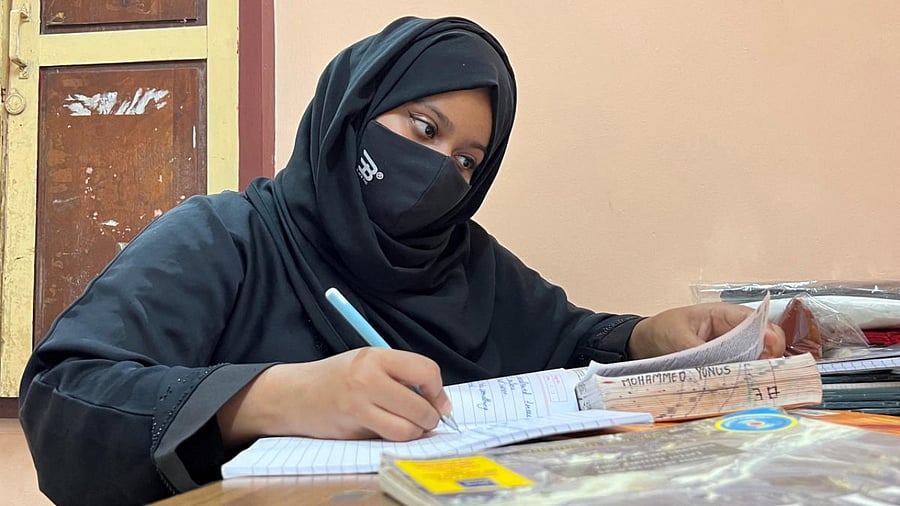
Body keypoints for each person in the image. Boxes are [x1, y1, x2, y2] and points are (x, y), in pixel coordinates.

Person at [18, 16, 785, 506]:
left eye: (466, 161)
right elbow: (65, 399)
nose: (440, 171)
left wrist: (650, 334)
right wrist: (268, 398)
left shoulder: (465, 262)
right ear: (352, 110)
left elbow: (566, 339)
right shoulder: (224, 237)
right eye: (422, 128)